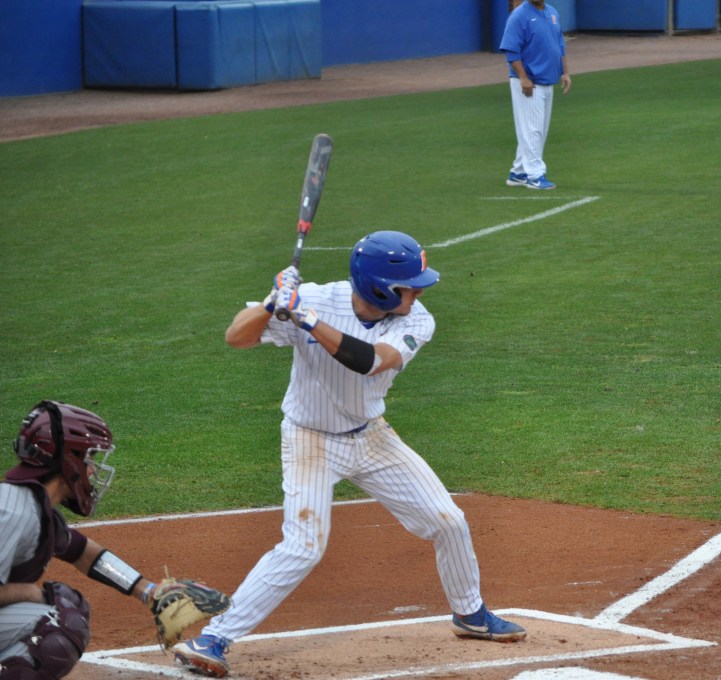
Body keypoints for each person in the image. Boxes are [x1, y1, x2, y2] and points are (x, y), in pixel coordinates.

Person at [172, 230, 526, 678]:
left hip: (372, 437)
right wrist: (269, 305)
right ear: (379, 286)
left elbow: (370, 360)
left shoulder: (416, 321)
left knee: (448, 520)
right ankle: (214, 639)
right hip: (310, 440)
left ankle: (470, 614)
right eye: (409, 286)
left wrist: (306, 319)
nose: (418, 293)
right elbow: (236, 338)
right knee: (302, 547)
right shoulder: (317, 297)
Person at [0, 400, 229, 678]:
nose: (94, 471)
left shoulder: (34, 508)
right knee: (57, 623)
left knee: (67, 607)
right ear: (69, 460)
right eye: (90, 460)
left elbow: (82, 552)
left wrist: (149, 592)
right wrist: (33, 594)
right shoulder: (13, 511)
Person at [499, 0, 572, 191]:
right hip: (529, 83)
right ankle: (535, 175)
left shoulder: (552, 12)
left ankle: (519, 172)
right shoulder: (519, 15)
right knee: (533, 130)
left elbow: (559, 44)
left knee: (539, 130)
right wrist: (523, 78)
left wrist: (565, 72)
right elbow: (510, 49)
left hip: (548, 80)